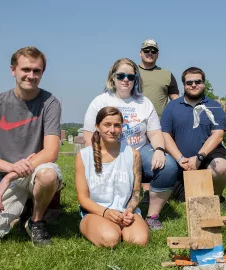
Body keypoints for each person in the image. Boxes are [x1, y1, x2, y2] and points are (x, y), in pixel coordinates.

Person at [0, 46, 63, 249]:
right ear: (13, 70)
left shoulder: (50, 103)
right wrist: (9, 170)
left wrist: (10, 175)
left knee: (48, 174)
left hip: (36, 171)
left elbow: (51, 152)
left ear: (42, 73)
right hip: (7, 176)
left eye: (37, 71)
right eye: (25, 69)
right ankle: (21, 212)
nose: (31, 75)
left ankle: (35, 221)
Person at [82, 58, 177, 230]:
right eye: (121, 76)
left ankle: (152, 215)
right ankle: (106, 210)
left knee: (169, 166)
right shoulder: (100, 101)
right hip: (111, 153)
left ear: (136, 80)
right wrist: (99, 157)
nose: (126, 80)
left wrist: (159, 150)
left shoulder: (144, 102)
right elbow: (89, 134)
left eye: (130, 77)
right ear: (113, 78)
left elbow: (154, 132)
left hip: (140, 150)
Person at [76, 106, 149, 247]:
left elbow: (136, 193)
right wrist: (106, 213)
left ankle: (121, 228)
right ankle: (98, 227)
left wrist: (129, 210)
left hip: (124, 212)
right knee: (110, 239)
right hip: (96, 212)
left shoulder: (133, 155)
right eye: (107, 125)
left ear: (122, 128)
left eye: (117, 125)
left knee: (139, 241)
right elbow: (83, 198)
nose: (112, 130)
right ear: (97, 126)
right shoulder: (83, 156)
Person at [162, 67, 226, 204]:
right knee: (186, 201)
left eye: (198, 81)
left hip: (207, 157)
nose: (193, 85)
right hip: (180, 162)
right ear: (184, 85)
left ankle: (217, 198)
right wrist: (180, 159)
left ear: (204, 83)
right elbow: (165, 135)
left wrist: (200, 157)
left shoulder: (214, 106)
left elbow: (218, 135)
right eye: (189, 83)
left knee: (221, 166)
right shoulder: (172, 107)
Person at [138, 39, 180, 204]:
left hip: (159, 128)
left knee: (158, 162)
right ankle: (139, 194)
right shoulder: (130, 73)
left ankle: (156, 194)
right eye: (146, 50)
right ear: (140, 53)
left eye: (153, 51)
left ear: (158, 54)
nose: (150, 53)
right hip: (135, 126)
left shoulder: (167, 74)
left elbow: (175, 100)